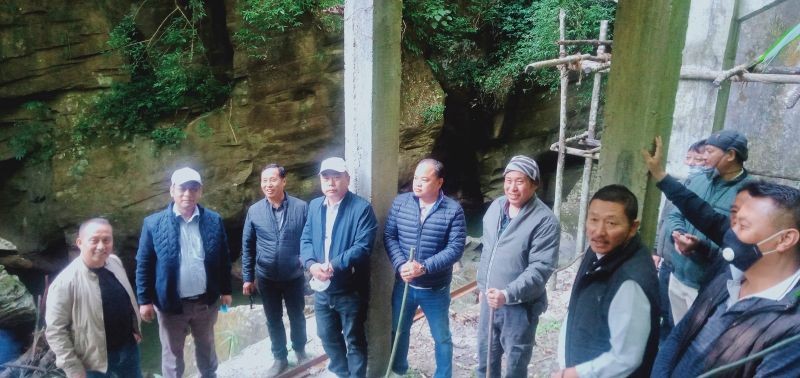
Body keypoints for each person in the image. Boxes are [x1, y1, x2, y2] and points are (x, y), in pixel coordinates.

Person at [649, 180, 800, 377]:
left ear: (784, 239)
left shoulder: (793, 330)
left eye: (743, 226)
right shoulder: (728, 272)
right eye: (733, 222)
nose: (731, 233)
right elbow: (679, 335)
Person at [554, 185, 660, 378]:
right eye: (593, 219)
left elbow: (627, 357)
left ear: (633, 227)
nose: (599, 231)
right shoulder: (598, 251)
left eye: (611, 223)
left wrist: (576, 373)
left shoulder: (630, 282)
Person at [135, 167, 232, 378]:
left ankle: (209, 375)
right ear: (172, 190)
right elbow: (144, 264)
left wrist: (226, 291)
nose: (187, 193)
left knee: (206, 346)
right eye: (182, 188)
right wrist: (144, 301)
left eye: (193, 188)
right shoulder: (153, 224)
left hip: (205, 302)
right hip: (170, 304)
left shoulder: (213, 220)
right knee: (172, 354)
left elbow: (223, 259)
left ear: (200, 191)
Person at [476, 155, 560, 378]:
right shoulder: (495, 207)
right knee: (485, 359)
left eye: (520, 181)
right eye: (508, 180)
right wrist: (482, 286)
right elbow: (488, 251)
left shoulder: (545, 221)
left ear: (534, 184)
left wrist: (507, 293)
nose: (512, 187)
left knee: (515, 363)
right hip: (489, 300)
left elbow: (541, 268)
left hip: (521, 306)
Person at [384, 158, 466, 378]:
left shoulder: (453, 210)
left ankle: (443, 375)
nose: (418, 184)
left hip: (435, 288)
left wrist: (425, 267)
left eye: (425, 179)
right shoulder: (401, 203)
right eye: (416, 178)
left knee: (441, 336)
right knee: (398, 330)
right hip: (405, 284)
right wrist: (401, 264)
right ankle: (398, 370)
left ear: (439, 183)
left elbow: (455, 249)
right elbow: (390, 236)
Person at [300, 157, 377, 377]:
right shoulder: (315, 205)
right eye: (326, 177)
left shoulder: (361, 208)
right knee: (326, 335)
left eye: (337, 177)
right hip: (322, 288)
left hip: (350, 289)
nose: (331, 183)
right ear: (320, 180)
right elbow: (305, 239)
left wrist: (333, 266)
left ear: (347, 179)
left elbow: (363, 247)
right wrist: (311, 264)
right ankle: (341, 373)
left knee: (353, 339)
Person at [665, 130, 750, 323]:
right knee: (676, 333)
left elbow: (741, 244)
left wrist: (701, 247)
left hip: (708, 285)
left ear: (730, 155)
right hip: (678, 275)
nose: (703, 156)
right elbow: (676, 213)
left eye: (709, 151)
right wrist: (679, 234)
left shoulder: (749, 194)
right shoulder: (698, 179)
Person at [46, 218, 142, 378]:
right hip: (93, 361)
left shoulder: (115, 262)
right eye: (94, 240)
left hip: (128, 348)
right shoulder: (65, 282)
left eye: (106, 240)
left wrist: (134, 328)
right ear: (79, 242)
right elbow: (55, 331)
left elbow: (126, 299)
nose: (101, 246)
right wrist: (73, 368)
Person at [241, 163, 309, 376]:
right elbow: (247, 246)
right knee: (273, 318)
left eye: (273, 180)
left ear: (284, 181)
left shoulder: (301, 207)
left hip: (294, 275)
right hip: (266, 276)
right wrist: (247, 278)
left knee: (297, 315)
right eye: (264, 181)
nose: (268, 185)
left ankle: (300, 350)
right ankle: (280, 357)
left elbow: (309, 239)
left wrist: (307, 263)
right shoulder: (255, 211)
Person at [652, 138, 707, 342]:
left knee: (679, 323)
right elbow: (664, 220)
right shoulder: (677, 187)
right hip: (667, 262)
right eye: (688, 157)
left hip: (686, 266)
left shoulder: (703, 195)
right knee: (662, 313)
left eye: (698, 159)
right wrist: (656, 251)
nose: (691, 163)